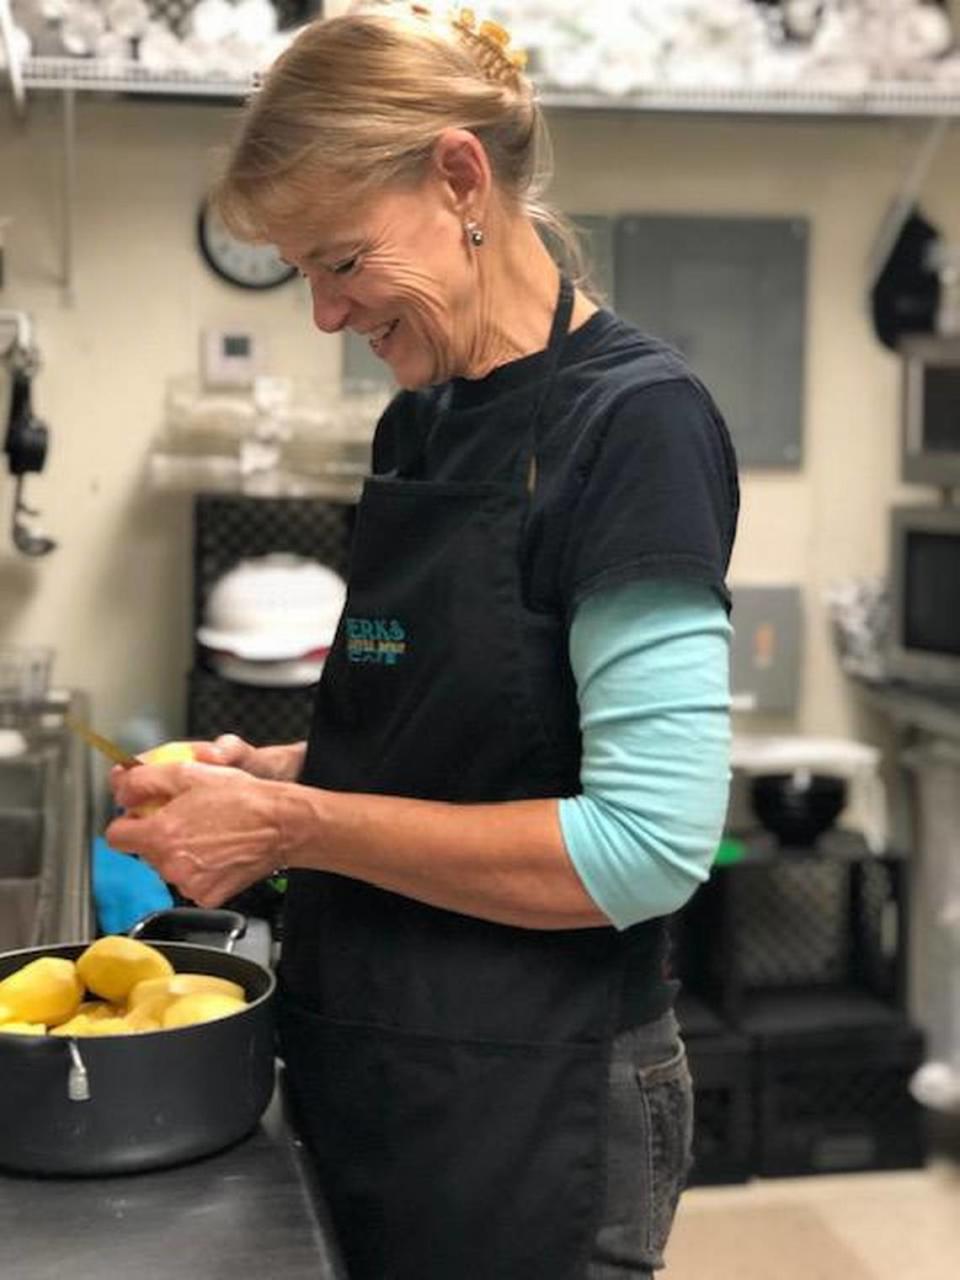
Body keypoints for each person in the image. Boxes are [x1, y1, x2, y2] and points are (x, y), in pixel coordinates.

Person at [107, 6, 739, 1278]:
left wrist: (290, 829)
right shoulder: (424, 424)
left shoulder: (638, 426)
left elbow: (645, 847)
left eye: (341, 262)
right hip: (374, 1054)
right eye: (305, 277)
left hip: (536, 1093)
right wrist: (274, 773)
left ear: (461, 178)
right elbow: (459, 743)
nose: (329, 316)